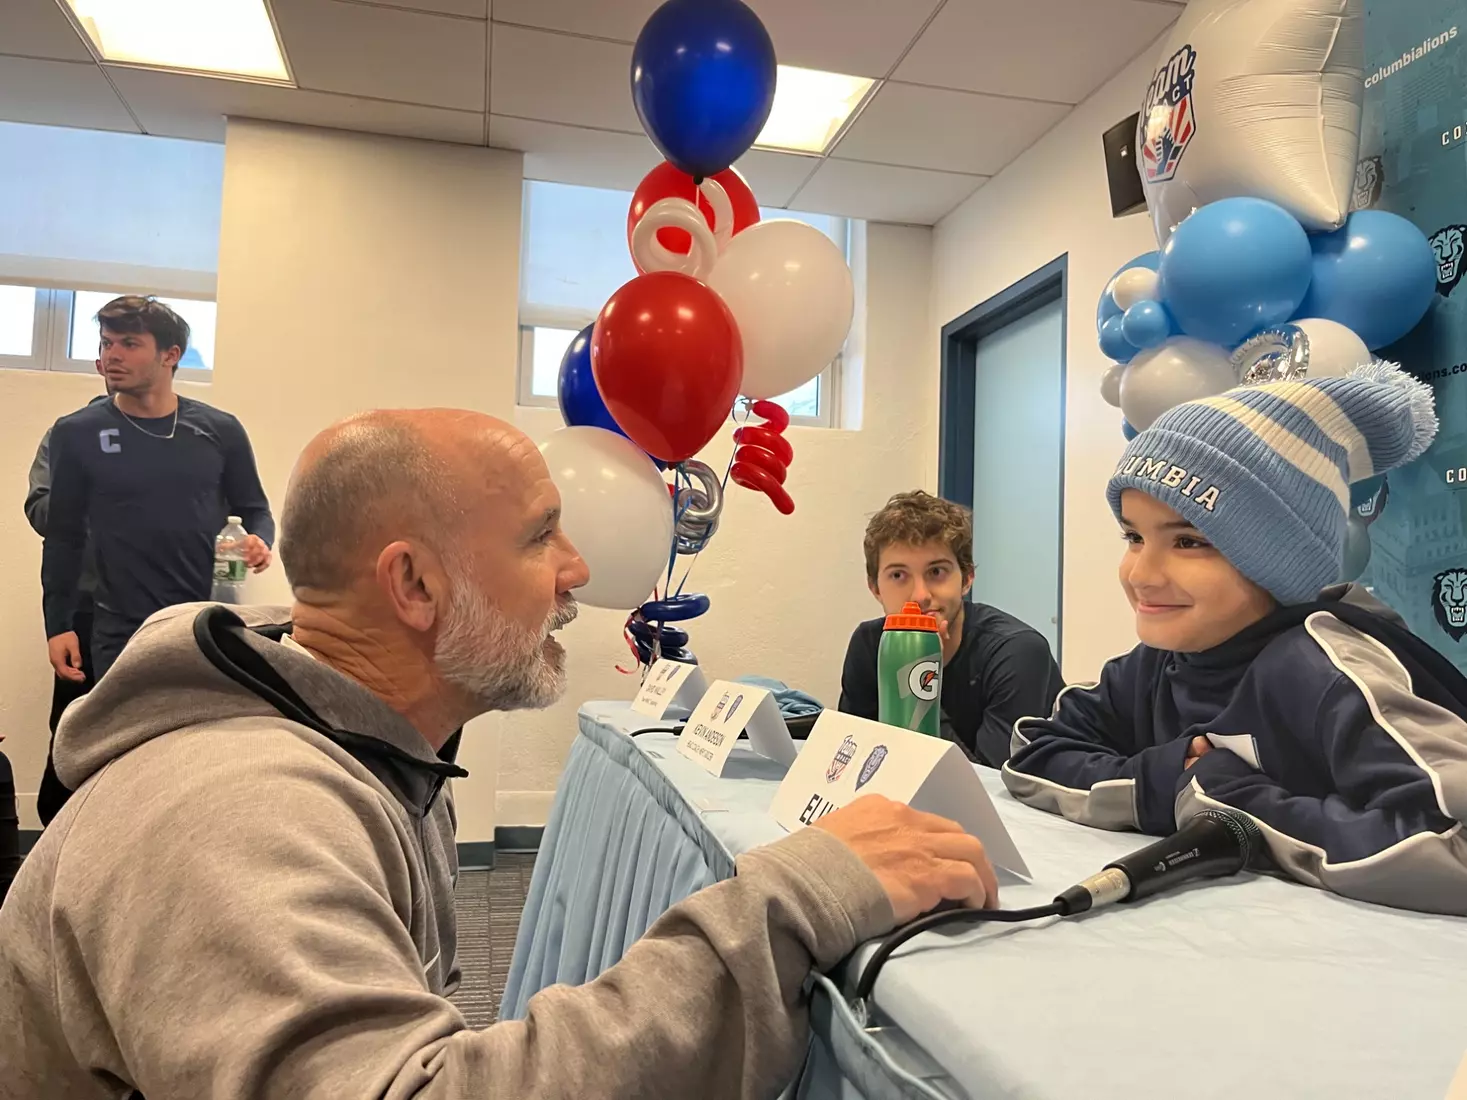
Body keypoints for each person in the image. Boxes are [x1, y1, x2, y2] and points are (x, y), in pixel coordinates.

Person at [0, 409, 999, 1097]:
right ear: (417, 586)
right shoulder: (237, 811)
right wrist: (797, 895)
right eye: (539, 537)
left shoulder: (367, 753)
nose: (578, 570)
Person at [1003, 364, 1467, 916]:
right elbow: (1037, 750)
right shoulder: (1160, 664)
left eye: (1189, 541)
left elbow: (1453, 842)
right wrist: (1163, 780)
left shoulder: (1326, 672)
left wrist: (1239, 804)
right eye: (1133, 536)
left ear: (1279, 559)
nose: (1140, 574)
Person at [41, 296, 275, 682]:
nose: (112, 354)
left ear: (170, 355)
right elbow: (63, 538)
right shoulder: (76, 432)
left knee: (199, 738)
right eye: (106, 343)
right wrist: (58, 625)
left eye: (129, 344)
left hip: (206, 624)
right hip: (121, 630)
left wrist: (258, 539)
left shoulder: (220, 430)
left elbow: (255, 509)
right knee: (123, 740)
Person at [839, 490, 1063, 766]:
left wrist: (919, 676)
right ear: (875, 588)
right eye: (898, 575)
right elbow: (849, 760)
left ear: (967, 578)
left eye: (936, 572)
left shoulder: (1018, 652)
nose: (920, 595)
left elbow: (990, 789)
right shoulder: (870, 644)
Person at [24, 364, 109, 824]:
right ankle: (55, 840)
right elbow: (39, 509)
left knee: (152, 732)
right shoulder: (68, 436)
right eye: (109, 346)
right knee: (75, 727)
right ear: (99, 364)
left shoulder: (186, 441)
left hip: (162, 613)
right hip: (85, 612)